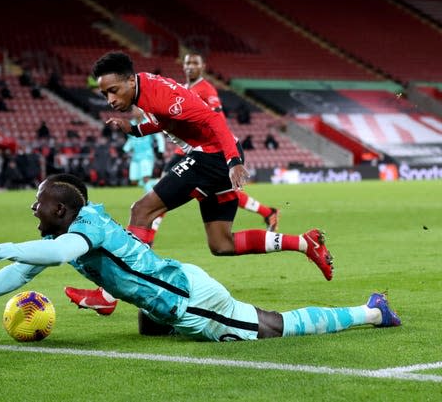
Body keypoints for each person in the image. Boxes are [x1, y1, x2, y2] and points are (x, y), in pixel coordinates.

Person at [0, 173, 401, 343]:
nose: (32, 208)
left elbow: (58, 251)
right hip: (169, 289)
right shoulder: (75, 226)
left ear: (60, 209)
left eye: (38, 202)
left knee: (274, 327)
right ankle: (155, 315)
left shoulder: (82, 230)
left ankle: (372, 310)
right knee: (150, 317)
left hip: (191, 300)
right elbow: (24, 267)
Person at [65, 51, 332, 315]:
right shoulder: (145, 87)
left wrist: (233, 161)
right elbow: (166, 120)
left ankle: (109, 295)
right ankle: (305, 243)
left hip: (211, 157)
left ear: (130, 81)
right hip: (213, 156)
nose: (110, 100)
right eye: (105, 94)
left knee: (142, 210)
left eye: (113, 90)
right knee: (221, 244)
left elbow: (214, 118)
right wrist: (135, 130)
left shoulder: (160, 95)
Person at [181, 54, 280, 232]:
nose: (190, 66)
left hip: (208, 149)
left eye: (194, 63)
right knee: (216, 190)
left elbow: (218, 120)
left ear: (203, 66)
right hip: (191, 147)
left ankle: (145, 238)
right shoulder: (184, 88)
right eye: (187, 62)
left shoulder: (206, 89)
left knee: (175, 187)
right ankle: (267, 212)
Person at [122, 106, 165, 192]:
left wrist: (161, 150)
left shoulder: (148, 123)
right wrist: (125, 150)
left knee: (146, 178)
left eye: (136, 110)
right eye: (133, 110)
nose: (134, 112)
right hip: (135, 156)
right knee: (134, 181)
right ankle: (158, 181)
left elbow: (159, 137)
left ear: (142, 111)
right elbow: (131, 140)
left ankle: (150, 196)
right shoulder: (131, 124)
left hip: (147, 155)